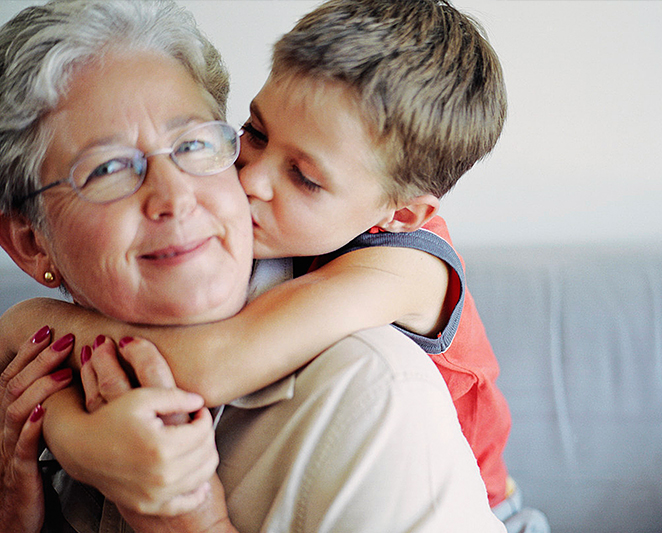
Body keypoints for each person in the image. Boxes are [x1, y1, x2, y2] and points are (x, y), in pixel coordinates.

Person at [0, 0, 506, 532]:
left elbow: (213, 365)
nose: (250, 181)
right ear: (29, 241)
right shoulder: (299, 230)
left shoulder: (400, 291)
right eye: (254, 134)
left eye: (304, 177)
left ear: (401, 213)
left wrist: (30, 335)